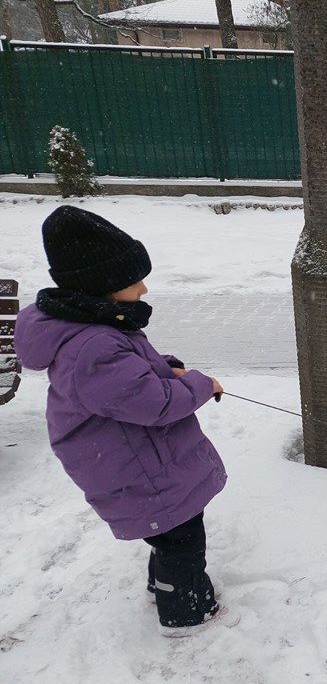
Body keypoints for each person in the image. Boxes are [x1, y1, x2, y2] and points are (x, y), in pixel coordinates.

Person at [13, 205, 228, 635]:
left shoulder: (90, 325)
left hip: (133, 458)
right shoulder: (93, 344)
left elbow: (127, 378)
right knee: (181, 538)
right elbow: (156, 405)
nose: (144, 289)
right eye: (134, 282)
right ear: (104, 287)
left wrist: (164, 368)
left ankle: (162, 584)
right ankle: (186, 612)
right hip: (139, 467)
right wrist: (202, 384)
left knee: (169, 530)